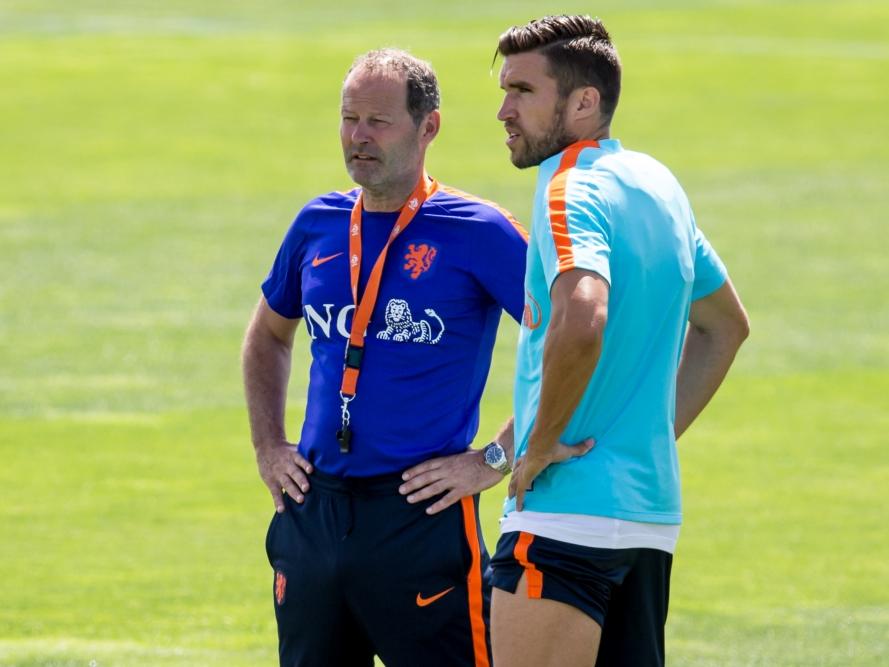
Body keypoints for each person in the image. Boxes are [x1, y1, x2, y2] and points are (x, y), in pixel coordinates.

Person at [241, 48, 537, 667]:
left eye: (378, 121)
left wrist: (496, 457)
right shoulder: (317, 224)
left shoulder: (478, 230)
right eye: (349, 119)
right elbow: (268, 334)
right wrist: (269, 446)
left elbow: (569, 343)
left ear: (428, 126)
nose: (358, 137)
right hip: (312, 516)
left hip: (419, 519)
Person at [487, 15, 750, 667]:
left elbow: (583, 314)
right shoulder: (658, 186)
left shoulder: (567, 186)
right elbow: (725, 326)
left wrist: (539, 441)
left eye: (522, 91)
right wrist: (645, 435)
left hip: (562, 516)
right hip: (647, 517)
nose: (502, 110)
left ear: (583, 102)